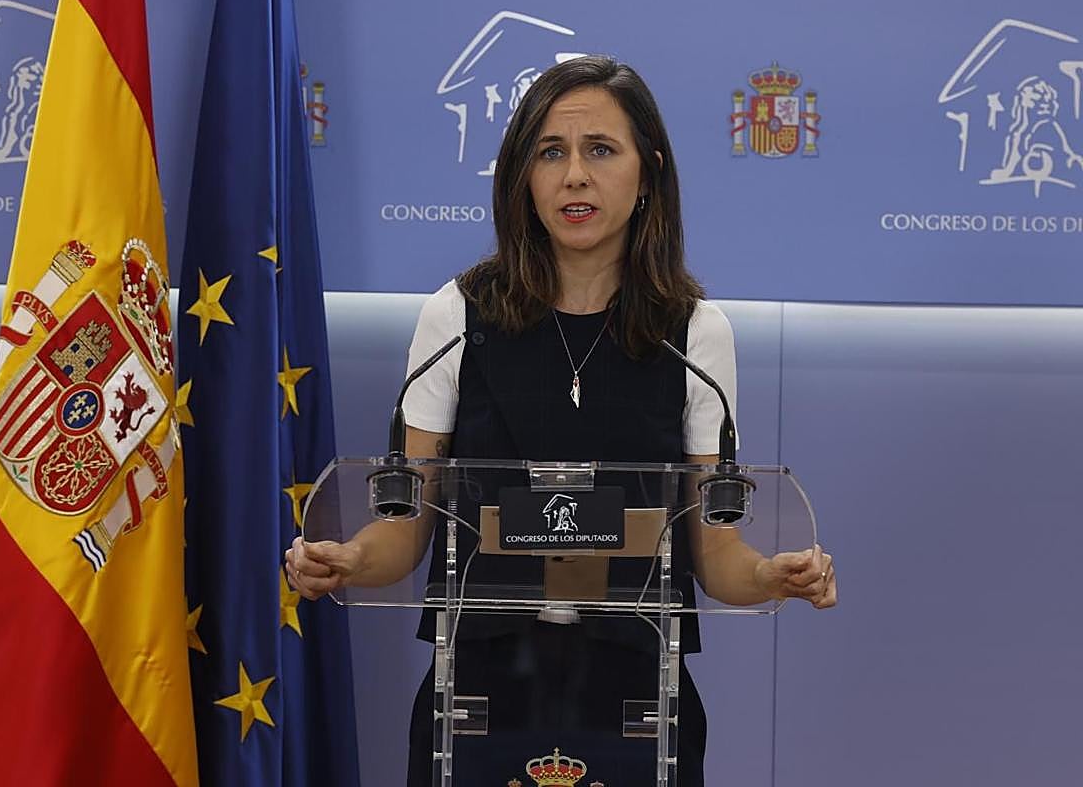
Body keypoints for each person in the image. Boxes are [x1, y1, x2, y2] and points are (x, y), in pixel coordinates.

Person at [286, 55, 837, 786]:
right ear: (523, 177)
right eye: (551, 152)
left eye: (601, 150)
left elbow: (716, 556)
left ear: (650, 173)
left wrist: (772, 574)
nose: (575, 175)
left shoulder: (696, 335)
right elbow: (402, 530)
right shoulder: (455, 316)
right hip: (477, 694)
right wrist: (350, 560)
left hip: (640, 694)